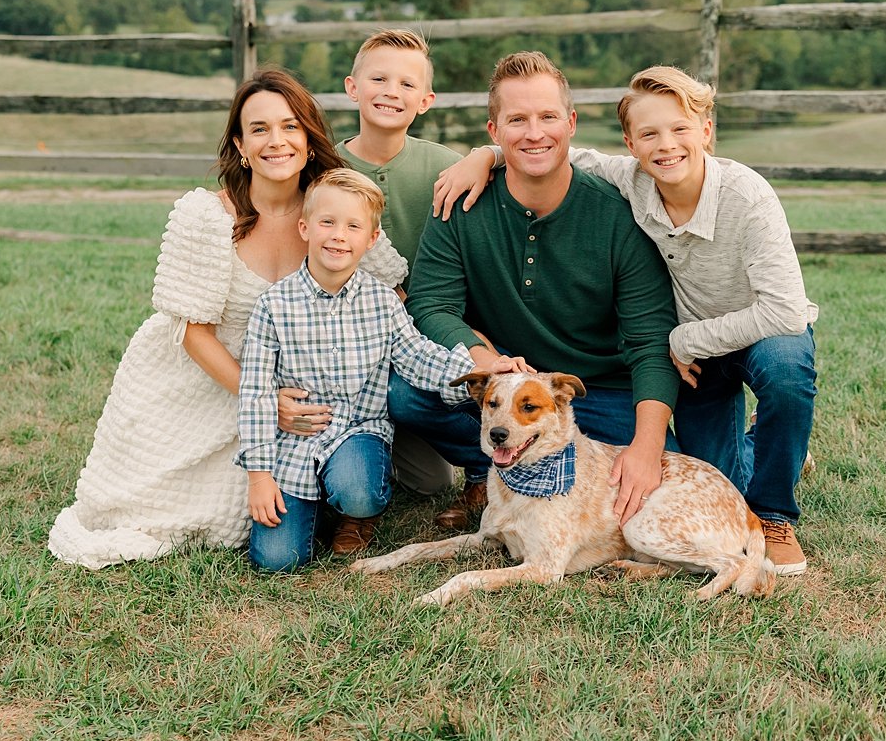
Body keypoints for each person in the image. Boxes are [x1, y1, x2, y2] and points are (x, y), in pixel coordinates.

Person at [436, 65, 819, 575]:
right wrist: (481, 157)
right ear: (630, 143)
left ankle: (772, 512)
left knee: (779, 373)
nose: (666, 145)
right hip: (679, 361)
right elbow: (542, 149)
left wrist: (677, 356)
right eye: (649, 134)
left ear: (706, 130)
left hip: (733, 337)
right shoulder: (631, 178)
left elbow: (784, 310)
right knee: (714, 472)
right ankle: (777, 453)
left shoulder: (744, 197)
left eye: (681, 129)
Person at [48, 69, 406, 569]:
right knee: (171, 511)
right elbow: (192, 331)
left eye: (290, 127)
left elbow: (391, 288)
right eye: (259, 129)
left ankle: (346, 496)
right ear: (240, 145)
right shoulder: (207, 216)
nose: (275, 141)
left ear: (308, 139)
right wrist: (261, 400)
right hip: (213, 374)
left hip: (306, 376)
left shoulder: (333, 209)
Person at [390, 50, 682, 533]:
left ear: (570, 123)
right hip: (504, 387)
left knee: (667, 466)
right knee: (410, 395)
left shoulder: (617, 215)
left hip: (598, 392)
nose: (534, 132)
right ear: (494, 132)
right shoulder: (461, 205)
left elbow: (652, 342)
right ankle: (494, 472)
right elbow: (431, 302)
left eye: (547, 117)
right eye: (517, 119)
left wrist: (647, 450)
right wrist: (484, 360)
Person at [237, 168, 529, 572]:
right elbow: (253, 393)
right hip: (295, 445)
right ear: (304, 228)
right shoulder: (273, 306)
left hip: (358, 430)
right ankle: (315, 507)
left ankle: (357, 508)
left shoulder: (382, 302)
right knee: (276, 560)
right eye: (327, 222)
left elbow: (420, 357)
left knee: (359, 489)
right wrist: (259, 476)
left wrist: (483, 371)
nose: (339, 235)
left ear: (371, 239)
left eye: (353, 226)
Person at [289, 28, 475, 497]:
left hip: (424, 340)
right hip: (350, 346)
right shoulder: (324, 170)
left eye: (407, 84)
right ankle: (356, 461)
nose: (391, 92)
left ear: (426, 100)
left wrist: (486, 154)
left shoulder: (447, 166)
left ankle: (481, 465)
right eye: (378, 79)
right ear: (353, 88)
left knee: (430, 483)